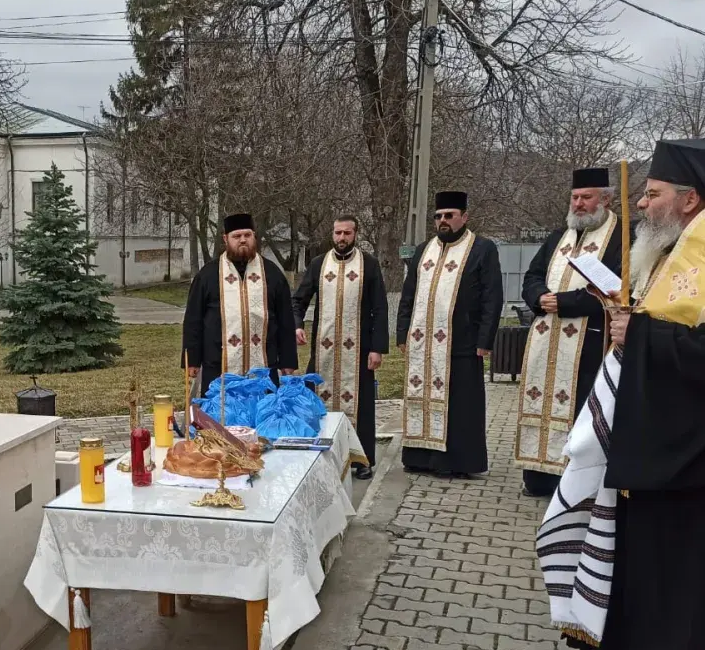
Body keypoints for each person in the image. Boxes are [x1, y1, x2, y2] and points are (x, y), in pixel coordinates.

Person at [537, 138, 705, 650]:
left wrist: (640, 334)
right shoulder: (668, 251)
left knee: (672, 558)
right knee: (634, 542)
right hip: (646, 434)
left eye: (653, 194)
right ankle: (623, 636)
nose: (643, 204)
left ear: (690, 200)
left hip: (683, 449)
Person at [516, 168, 625, 497]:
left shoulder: (622, 237)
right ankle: (539, 477)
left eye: (586, 197)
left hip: (590, 342)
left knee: (579, 409)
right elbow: (532, 275)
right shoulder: (558, 236)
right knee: (542, 402)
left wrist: (562, 302)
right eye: (575, 197)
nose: (578, 204)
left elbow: (616, 287)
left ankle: (574, 485)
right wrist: (539, 297)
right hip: (546, 338)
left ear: (605, 200)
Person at [396, 191, 503, 477]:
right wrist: (403, 333)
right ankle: (420, 457)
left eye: (449, 215)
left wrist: (485, 339)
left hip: (463, 341)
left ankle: (457, 463)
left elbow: (492, 296)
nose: (442, 221)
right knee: (420, 395)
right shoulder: (424, 250)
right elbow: (409, 294)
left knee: (461, 405)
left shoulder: (482, 248)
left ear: (464, 217)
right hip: (423, 342)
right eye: (438, 216)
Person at [291, 215, 389, 479]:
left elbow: (380, 307)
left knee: (361, 404)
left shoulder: (369, 264)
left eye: (347, 233)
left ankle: (362, 460)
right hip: (323, 351)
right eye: (337, 233)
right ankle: (320, 458)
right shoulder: (318, 264)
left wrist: (377, 348)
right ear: (332, 234)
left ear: (355, 234)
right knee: (317, 400)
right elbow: (298, 300)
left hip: (359, 351)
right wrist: (297, 325)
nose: (342, 238)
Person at [182, 213, 298, 397]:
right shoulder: (208, 275)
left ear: (254, 237)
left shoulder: (272, 273)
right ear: (225, 239)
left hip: (263, 365)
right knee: (220, 413)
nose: (243, 240)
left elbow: (285, 319)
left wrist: (288, 361)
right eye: (237, 236)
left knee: (262, 412)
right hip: (218, 366)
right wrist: (192, 360)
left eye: (247, 235)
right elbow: (193, 319)